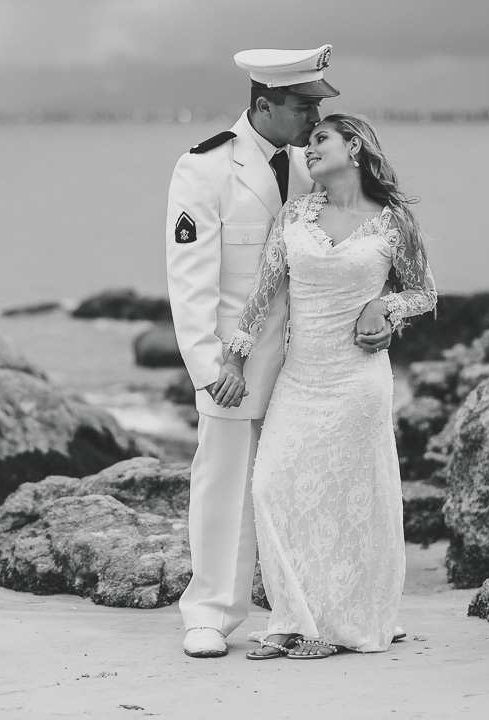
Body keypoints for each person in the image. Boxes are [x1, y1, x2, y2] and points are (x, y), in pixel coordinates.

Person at [165, 46, 394, 658]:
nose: (315, 115)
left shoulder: (309, 163)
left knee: (310, 483)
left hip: (313, 364)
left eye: (318, 105)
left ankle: (327, 605)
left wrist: (381, 311)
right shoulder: (204, 168)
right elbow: (189, 283)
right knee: (227, 486)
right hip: (238, 363)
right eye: (305, 104)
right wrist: (210, 368)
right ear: (265, 104)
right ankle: (209, 612)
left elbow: (352, 253)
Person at [212, 113, 437, 660]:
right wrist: (235, 362)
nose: (308, 149)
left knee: (350, 502)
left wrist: (386, 306)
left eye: (320, 139)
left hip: (359, 383)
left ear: (353, 146)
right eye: (309, 142)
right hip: (302, 378)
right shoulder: (295, 213)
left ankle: (330, 628)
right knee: (272, 486)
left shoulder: (392, 222)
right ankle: (293, 616)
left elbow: (425, 294)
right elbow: (262, 297)